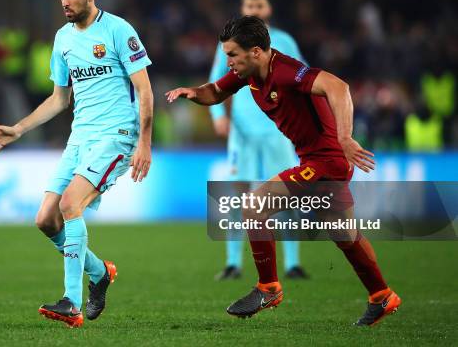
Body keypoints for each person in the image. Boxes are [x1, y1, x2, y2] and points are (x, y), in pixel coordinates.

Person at [166, 16, 400, 326]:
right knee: (344, 235)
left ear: (257, 52)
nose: (228, 61)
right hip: (312, 161)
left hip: (325, 161)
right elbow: (215, 92)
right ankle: (382, 296)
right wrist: (192, 92)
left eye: (233, 54)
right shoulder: (247, 73)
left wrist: (344, 137)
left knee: (254, 206)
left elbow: (338, 87)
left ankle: (269, 288)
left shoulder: (288, 72)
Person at [0, 0, 153, 328]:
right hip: (80, 138)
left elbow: (145, 90)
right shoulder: (63, 38)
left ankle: (71, 303)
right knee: (45, 219)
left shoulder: (119, 30)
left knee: (71, 204)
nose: (64, 1)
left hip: (117, 137)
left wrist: (145, 143)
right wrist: (20, 129)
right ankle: (100, 272)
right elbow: (60, 98)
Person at [208, 0, 308, 280]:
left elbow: (304, 79)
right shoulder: (229, 44)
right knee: (239, 198)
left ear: (268, 9)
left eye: (259, 5)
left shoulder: (285, 41)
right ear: (243, 7)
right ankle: (232, 263)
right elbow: (216, 80)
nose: (254, 10)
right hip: (242, 133)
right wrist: (217, 115)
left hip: (279, 131)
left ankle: (292, 263)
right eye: (248, 4)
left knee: (286, 198)